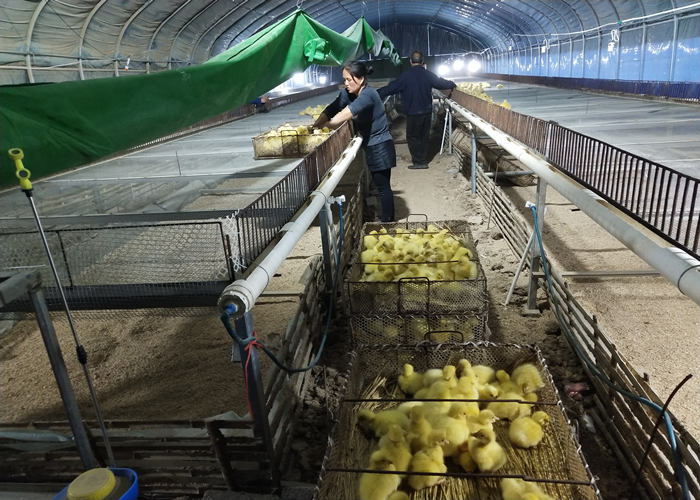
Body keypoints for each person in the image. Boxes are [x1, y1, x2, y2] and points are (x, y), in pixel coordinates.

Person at [314, 60, 396, 222]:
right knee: (380, 184)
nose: (346, 83)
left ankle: (387, 220)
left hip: (380, 145)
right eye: (344, 79)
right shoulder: (348, 93)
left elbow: (346, 114)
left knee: (383, 186)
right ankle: (386, 217)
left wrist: (326, 126)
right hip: (370, 144)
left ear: (361, 79)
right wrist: (316, 124)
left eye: (348, 80)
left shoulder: (368, 95)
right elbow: (333, 108)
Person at [377, 50, 456, 169]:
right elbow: (440, 83)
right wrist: (452, 84)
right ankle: (423, 160)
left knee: (412, 137)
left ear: (410, 61)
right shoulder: (428, 75)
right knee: (424, 136)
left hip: (412, 112)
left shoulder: (405, 76)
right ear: (423, 61)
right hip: (426, 111)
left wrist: (374, 94)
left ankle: (418, 162)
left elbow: (390, 88)